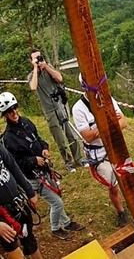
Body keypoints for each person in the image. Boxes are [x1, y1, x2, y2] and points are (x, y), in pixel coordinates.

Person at [0, 92, 84, 241]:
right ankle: (55, 228)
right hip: (32, 177)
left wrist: (44, 148)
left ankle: (66, 222)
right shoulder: (8, 139)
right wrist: (33, 160)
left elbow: (38, 139)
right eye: (9, 111)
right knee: (57, 202)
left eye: (14, 108)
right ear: (5, 115)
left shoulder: (26, 122)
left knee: (57, 197)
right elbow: (15, 164)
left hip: (43, 170)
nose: (13, 113)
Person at [71, 73, 129, 227]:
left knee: (126, 176)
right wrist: (108, 122)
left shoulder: (107, 99)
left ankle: (131, 201)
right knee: (113, 184)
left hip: (114, 147)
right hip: (99, 154)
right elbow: (88, 136)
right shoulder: (78, 109)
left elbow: (123, 122)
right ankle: (121, 211)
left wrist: (100, 128)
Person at [28, 49, 84, 172]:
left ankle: (79, 159)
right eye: (35, 59)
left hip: (60, 106)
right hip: (49, 111)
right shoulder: (32, 75)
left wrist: (46, 66)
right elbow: (33, 87)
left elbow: (59, 78)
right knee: (60, 140)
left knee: (71, 135)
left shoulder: (49, 68)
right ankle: (68, 162)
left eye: (39, 57)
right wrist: (35, 68)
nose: (38, 60)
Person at [0, 137, 42, 258]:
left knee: (30, 241)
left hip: (17, 202)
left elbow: (12, 165)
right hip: (1, 215)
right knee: (13, 248)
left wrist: (29, 191)